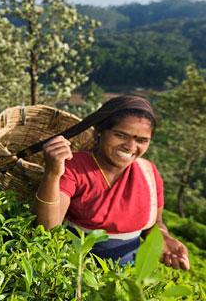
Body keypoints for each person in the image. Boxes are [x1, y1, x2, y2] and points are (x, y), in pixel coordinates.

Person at [33, 95, 190, 270]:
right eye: (121, 135)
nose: (130, 146)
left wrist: (162, 238)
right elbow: (47, 228)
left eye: (141, 140)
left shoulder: (148, 172)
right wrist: (52, 173)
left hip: (128, 273)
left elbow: (154, 223)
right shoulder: (73, 166)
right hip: (77, 271)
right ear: (99, 131)